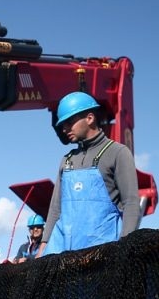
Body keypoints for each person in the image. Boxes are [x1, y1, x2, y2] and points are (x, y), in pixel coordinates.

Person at [38, 91, 140, 256]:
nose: (64, 128)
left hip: (102, 254)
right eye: (62, 124)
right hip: (62, 255)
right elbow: (56, 209)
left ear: (90, 118)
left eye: (69, 122)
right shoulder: (67, 160)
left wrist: (125, 247)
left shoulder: (118, 152)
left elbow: (131, 203)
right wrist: (43, 246)